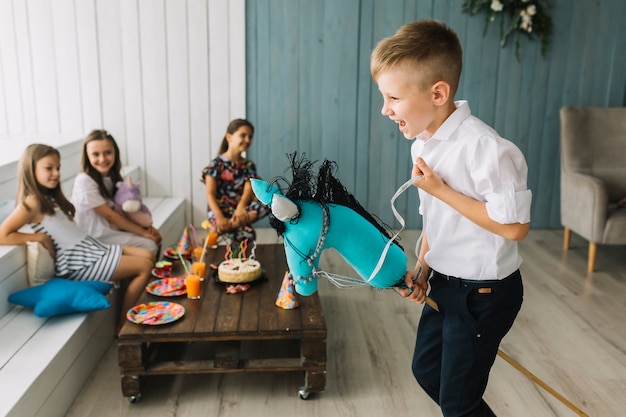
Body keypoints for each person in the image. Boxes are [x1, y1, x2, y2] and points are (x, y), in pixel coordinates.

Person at [371, 20, 532, 417]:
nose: (385, 109)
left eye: (393, 97)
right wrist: (424, 268)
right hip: (445, 282)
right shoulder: (423, 143)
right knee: (427, 371)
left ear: (437, 93)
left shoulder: (484, 148)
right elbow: (436, 220)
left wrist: (442, 190)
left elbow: (514, 227)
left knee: (458, 404)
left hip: (484, 295)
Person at [0, 144, 153, 334]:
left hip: (91, 249)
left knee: (147, 254)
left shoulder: (49, 197)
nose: (56, 173)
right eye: (49, 168)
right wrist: (38, 236)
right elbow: (2, 234)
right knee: (144, 266)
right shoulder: (32, 202)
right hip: (79, 263)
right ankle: (124, 326)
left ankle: (139, 308)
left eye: (58, 167)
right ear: (31, 170)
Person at [72, 129, 161, 255]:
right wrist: (142, 232)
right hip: (94, 237)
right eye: (95, 154)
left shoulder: (113, 178)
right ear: (87, 156)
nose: (102, 159)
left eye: (107, 153)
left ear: (115, 153)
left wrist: (146, 228)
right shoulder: (84, 180)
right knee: (149, 245)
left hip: (109, 231)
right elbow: (110, 216)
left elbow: (123, 211)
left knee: (155, 239)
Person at [200, 118, 269, 242]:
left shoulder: (249, 165)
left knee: (268, 202)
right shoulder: (216, 163)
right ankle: (227, 225)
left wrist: (241, 207)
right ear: (229, 137)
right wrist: (219, 216)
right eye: (243, 135)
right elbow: (210, 193)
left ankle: (224, 228)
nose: (247, 140)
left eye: (250, 137)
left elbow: (249, 189)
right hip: (219, 210)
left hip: (240, 212)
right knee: (247, 234)